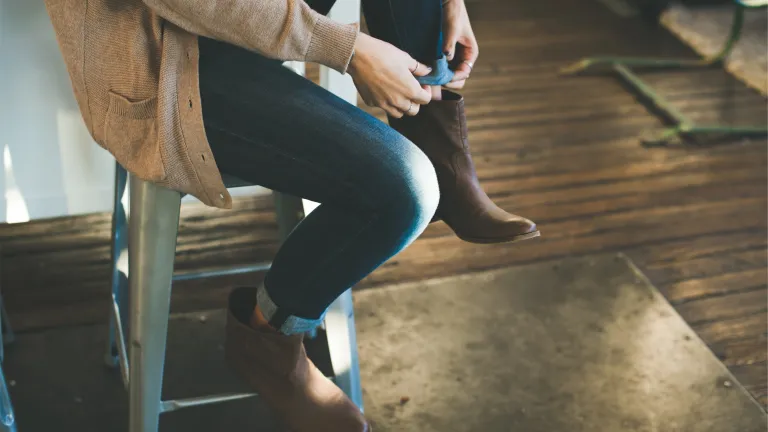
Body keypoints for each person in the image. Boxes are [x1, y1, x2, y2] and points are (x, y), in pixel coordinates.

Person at [44, 0, 538, 430]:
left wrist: (447, 2)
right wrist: (348, 49)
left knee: (416, 181)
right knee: (403, 190)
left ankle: (441, 145)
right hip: (162, 63)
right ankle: (267, 340)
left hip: (238, 25)